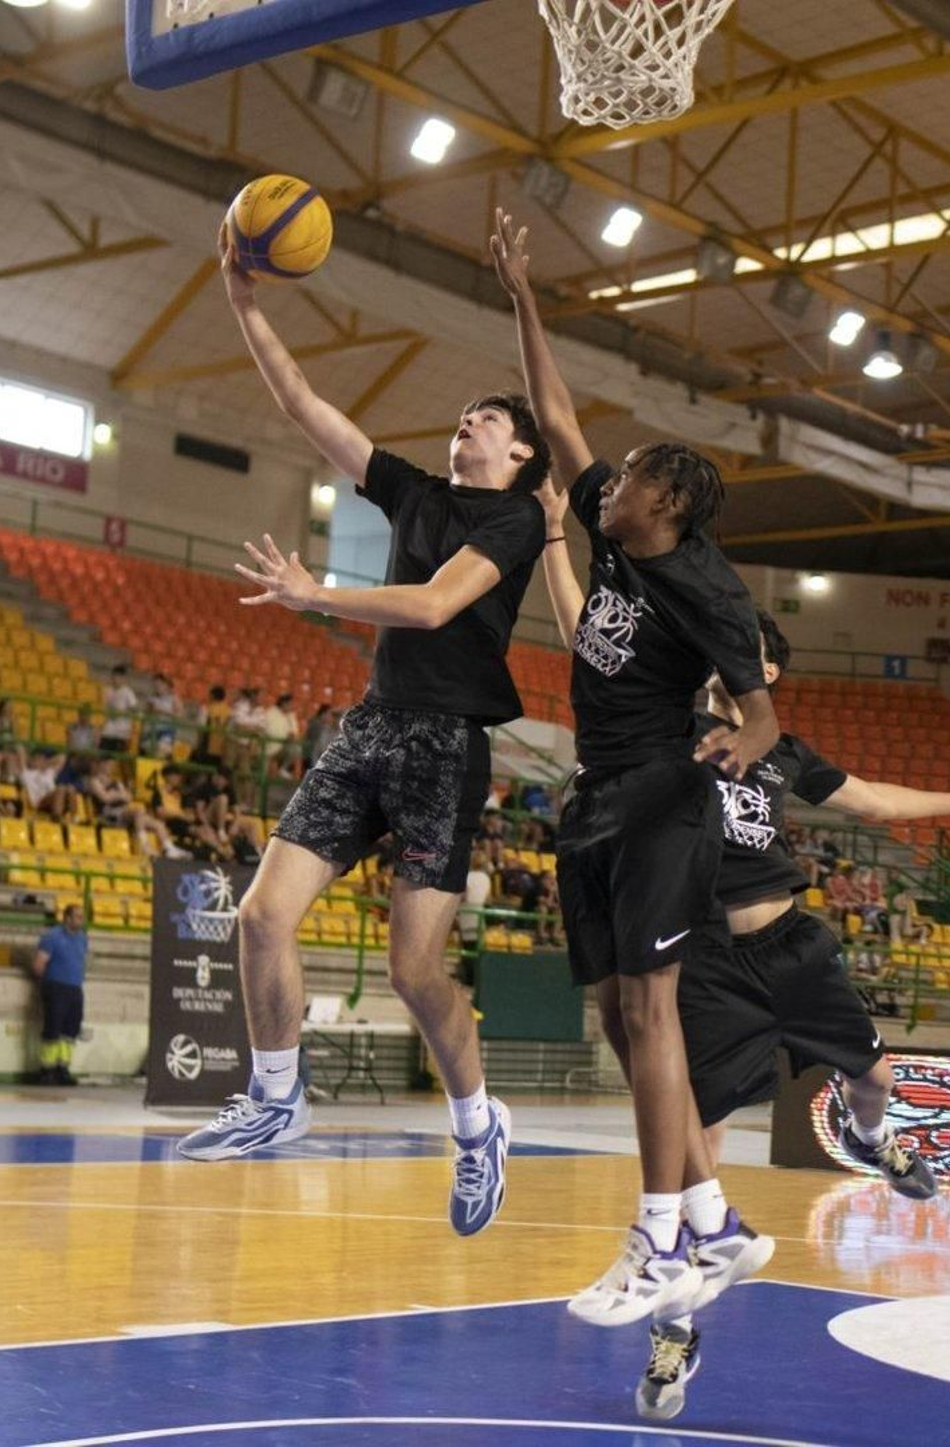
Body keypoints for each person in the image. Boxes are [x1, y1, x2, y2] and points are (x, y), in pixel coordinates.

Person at [177, 219, 549, 1249]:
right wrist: (245, 300)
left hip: (447, 747)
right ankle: (275, 1096)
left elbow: (432, 606)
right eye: (464, 415)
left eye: (485, 418)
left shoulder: (516, 520)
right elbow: (303, 404)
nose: (465, 423)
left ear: (519, 454)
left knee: (413, 974)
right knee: (261, 914)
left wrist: (314, 594)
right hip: (373, 726)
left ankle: (477, 1126)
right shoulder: (414, 490)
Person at [604, 609, 950, 1421]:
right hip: (710, 963)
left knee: (876, 1077)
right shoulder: (675, 731)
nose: (722, 653)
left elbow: (873, 801)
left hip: (793, 948)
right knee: (693, 1155)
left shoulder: (784, 751)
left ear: (768, 674)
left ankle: (870, 1138)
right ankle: (673, 1333)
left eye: (743, 648)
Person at [495, 207, 780, 1331]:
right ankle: (714, 1219)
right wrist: (525, 297)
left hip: (665, 794)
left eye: (628, 480)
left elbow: (762, 713)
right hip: (598, 795)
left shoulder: (708, 589)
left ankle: (659, 1244)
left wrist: (738, 744)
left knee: (652, 1012)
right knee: (618, 1016)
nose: (604, 483)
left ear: (665, 500)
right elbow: (559, 419)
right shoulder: (616, 535)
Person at [32, 902, 88, 1086]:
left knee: (70, 1030)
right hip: (56, 987)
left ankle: (62, 1068)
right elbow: (39, 964)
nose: (81, 920)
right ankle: (46, 1069)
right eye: (78, 916)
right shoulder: (52, 937)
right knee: (53, 1028)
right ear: (67, 918)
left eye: (82, 917)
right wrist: (46, 985)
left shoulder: (82, 938)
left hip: (74, 988)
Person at [101, 665, 140, 755]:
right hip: (109, 730)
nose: (116, 679)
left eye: (118, 677)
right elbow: (107, 708)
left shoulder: (128, 692)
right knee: (103, 756)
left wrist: (122, 712)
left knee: (119, 758)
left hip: (122, 732)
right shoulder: (108, 691)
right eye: (114, 676)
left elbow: (135, 709)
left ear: (123, 678)